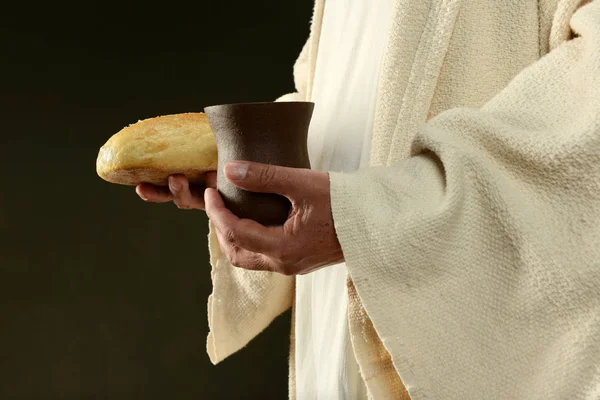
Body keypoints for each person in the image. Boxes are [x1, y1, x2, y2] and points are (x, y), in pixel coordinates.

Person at [136, 0, 600, 398]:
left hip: (460, 347)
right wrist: (253, 177)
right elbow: (343, 96)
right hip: (331, 342)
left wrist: (377, 218)